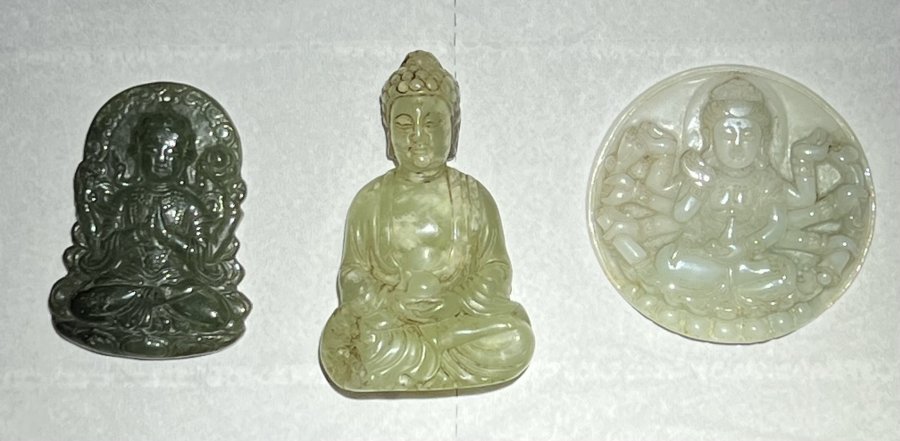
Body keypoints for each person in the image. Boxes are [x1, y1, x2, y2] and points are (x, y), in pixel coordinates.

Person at [320, 51, 534, 391]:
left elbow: (496, 270)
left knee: (516, 337)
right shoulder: (370, 200)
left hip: (455, 317)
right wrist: (391, 302)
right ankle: (435, 345)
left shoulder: (474, 196)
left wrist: (457, 301)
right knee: (345, 346)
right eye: (405, 125)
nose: (417, 135)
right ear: (389, 133)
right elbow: (353, 275)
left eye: (432, 123)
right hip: (391, 324)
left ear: (454, 130)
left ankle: (432, 345)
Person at [67, 111, 249, 341]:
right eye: (152, 151)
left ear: (185, 158)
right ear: (137, 153)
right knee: (81, 305)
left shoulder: (189, 205)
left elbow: (203, 256)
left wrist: (167, 237)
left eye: (171, 153)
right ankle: (153, 297)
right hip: (128, 282)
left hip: (176, 285)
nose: (161, 159)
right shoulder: (125, 200)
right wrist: (136, 235)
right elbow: (104, 248)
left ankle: (161, 296)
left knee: (217, 313)